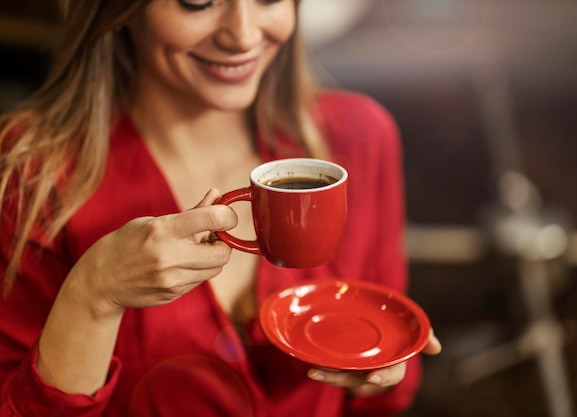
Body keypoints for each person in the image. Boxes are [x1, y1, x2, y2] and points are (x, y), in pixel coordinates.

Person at [0, 0, 442, 416]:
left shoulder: (358, 137)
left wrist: (378, 373)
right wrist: (91, 296)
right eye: (199, 1)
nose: (243, 36)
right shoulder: (31, 172)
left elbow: (388, 394)